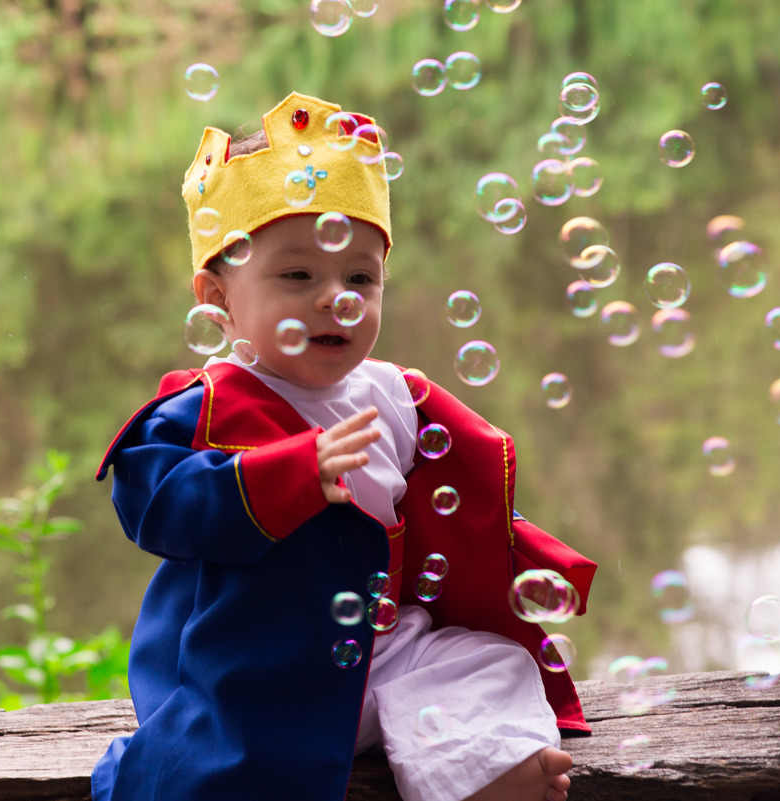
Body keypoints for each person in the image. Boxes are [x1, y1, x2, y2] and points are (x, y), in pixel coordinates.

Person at [92, 92, 597, 801]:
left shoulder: (393, 393)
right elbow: (154, 503)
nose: (338, 297)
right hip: (261, 662)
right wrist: (293, 471)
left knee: (486, 659)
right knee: (231, 764)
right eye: (298, 275)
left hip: (383, 648)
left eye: (360, 276)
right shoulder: (206, 406)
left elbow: (457, 505)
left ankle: (480, 772)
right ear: (217, 298)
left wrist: (511, 552)